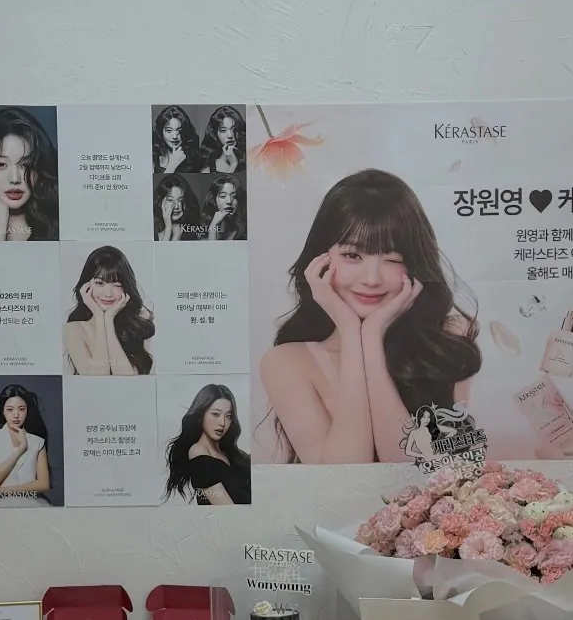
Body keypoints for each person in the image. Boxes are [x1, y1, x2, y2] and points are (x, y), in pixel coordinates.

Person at [260, 168, 481, 463]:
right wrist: (351, 333)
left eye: (393, 259)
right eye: (353, 256)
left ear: (414, 265)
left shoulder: (448, 342)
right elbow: (342, 476)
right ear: (319, 259)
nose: (372, 279)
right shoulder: (287, 362)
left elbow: (417, 471)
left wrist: (372, 338)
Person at [0, 107, 59, 242]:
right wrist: (1, 215)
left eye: (26, 165)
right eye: (1, 164)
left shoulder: (58, 233)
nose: (15, 179)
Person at [65, 246, 155, 375]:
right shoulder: (74, 329)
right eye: (99, 283)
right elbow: (97, 378)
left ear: (125, 287)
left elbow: (127, 379)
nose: (108, 294)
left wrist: (108, 320)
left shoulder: (139, 324)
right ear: (86, 286)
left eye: (117, 285)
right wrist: (99, 316)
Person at [164, 385, 251, 505]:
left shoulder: (230, 452)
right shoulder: (199, 453)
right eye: (215, 414)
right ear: (201, 415)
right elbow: (227, 508)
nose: (222, 423)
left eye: (228, 416)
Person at [0, 384, 52, 505]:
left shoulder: (37, 441)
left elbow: (44, 484)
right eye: (10, 409)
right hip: (4, 506)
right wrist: (21, 448)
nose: (16, 415)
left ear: (27, 411)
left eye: (21, 409)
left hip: (35, 505)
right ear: (2, 411)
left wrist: (2, 491)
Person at [152, 107, 201, 175]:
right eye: (169, 131)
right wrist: (173, 164)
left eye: (179, 131)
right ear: (161, 132)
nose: (175, 136)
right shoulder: (153, 155)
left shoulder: (194, 157)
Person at [201, 107, 246, 174]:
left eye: (234, 129)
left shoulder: (251, 160)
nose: (230, 135)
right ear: (215, 133)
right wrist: (233, 164)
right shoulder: (208, 170)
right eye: (223, 130)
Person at [202, 177, 245, 241]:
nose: (229, 201)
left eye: (234, 196)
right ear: (213, 200)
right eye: (223, 196)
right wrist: (213, 227)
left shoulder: (246, 231)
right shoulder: (200, 230)